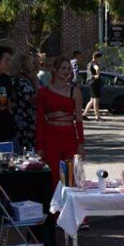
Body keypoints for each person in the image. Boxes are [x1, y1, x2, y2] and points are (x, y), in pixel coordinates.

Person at [35, 57, 85, 185]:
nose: (67, 71)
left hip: (69, 135)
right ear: (54, 69)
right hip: (50, 135)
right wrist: (39, 146)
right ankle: (53, 204)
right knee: (52, 175)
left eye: (69, 68)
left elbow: (79, 119)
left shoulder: (75, 92)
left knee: (70, 176)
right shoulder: (43, 92)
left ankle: (68, 204)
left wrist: (81, 144)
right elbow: (40, 120)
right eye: (63, 68)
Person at [11, 54, 39, 151]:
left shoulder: (17, 79)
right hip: (25, 124)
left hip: (21, 122)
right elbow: (36, 99)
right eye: (32, 63)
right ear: (23, 65)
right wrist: (35, 81)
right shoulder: (22, 81)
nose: (35, 65)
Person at [82, 51, 103, 121]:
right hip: (95, 82)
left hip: (90, 82)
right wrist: (98, 75)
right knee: (95, 100)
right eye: (100, 58)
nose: (100, 60)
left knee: (91, 100)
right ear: (97, 57)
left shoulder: (89, 63)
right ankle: (97, 117)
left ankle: (84, 114)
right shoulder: (94, 63)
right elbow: (97, 68)